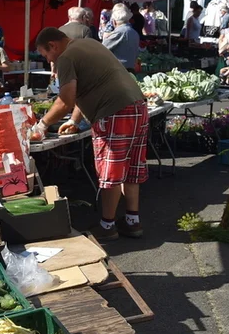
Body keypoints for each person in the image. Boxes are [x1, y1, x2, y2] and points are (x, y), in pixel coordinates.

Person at [32, 28, 148, 241]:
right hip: (137, 106)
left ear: (53, 46)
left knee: (110, 171)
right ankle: (133, 221)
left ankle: (107, 225)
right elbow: (84, 91)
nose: (47, 59)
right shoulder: (89, 43)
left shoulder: (65, 58)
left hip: (114, 112)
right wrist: (74, 120)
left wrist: (40, 126)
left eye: (44, 54)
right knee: (132, 166)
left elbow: (65, 100)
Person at [102, 4, 141, 71]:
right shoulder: (134, 32)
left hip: (119, 70)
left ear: (114, 22)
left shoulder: (119, 32)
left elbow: (102, 48)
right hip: (130, 68)